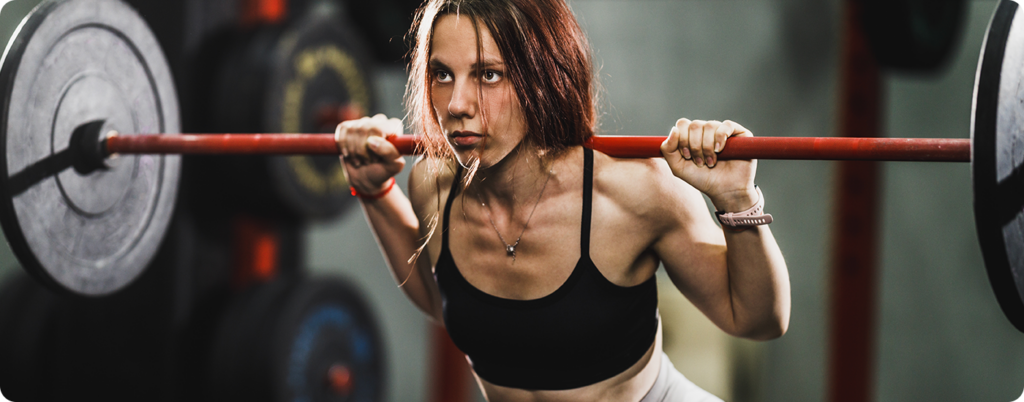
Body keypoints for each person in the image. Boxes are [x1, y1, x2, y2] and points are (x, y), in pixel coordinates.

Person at [335, 0, 790, 400]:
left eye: (487, 74)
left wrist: (738, 200)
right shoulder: (433, 185)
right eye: (441, 75)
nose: (456, 104)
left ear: (542, 76)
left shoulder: (636, 193)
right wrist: (373, 191)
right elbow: (444, 302)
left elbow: (759, 320)